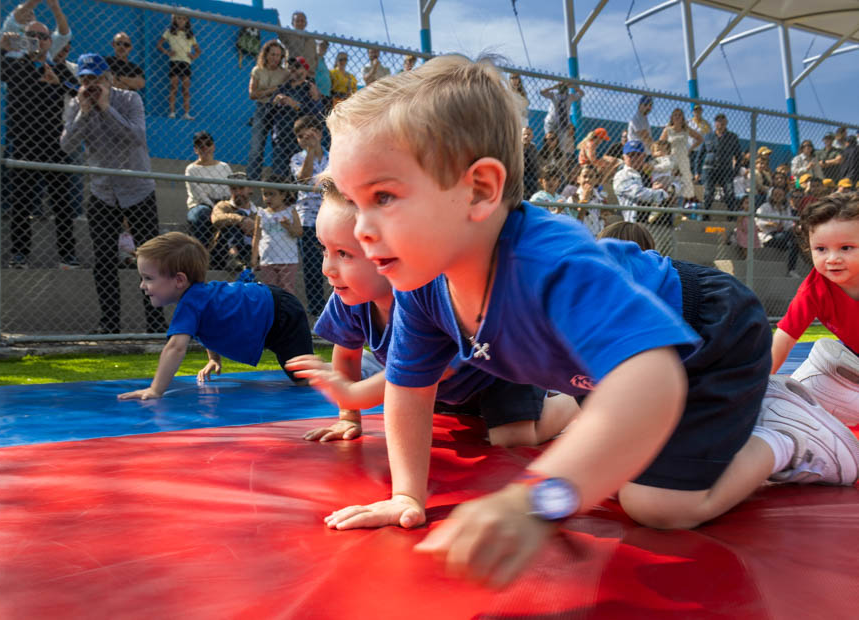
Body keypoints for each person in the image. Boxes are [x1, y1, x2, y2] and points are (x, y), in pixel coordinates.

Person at [321, 55, 859, 587]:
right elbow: (408, 389)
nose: (363, 231)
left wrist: (537, 499)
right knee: (605, 462)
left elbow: (651, 380)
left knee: (656, 506)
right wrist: (407, 495)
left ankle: (787, 434)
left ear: (480, 190)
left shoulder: (547, 263)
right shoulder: (421, 283)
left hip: (708, 336)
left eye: (383, 197)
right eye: (354, 202)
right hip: (613, 367)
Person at [287, 179, 575, 446]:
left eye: (344, 254)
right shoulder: (349, 298)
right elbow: (346, 354)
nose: (327, 268)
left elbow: (425, 368)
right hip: (442, 391)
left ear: (391, 253)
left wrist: (353, 394)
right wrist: (348, 417)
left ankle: (573, 404)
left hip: (493, 376)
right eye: (324, 249)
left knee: (512, 440)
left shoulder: (429, 296)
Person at [118, 232, 313, 401]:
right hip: (271, 311)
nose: (142, 285)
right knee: (300, 372)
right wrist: (214, 359)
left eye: (148, 278)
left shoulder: (191, 303)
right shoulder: (199, 299)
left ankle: (337, 370)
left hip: (281, 313)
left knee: (305, 379)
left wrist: (155, 389)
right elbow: (211, 326)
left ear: (179, 280)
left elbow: (175, 348)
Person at [60, 53, 165, 334]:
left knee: (149, 259)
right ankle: (109, 323)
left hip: (137, 188)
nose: (89, 85)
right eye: (84, 79)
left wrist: (106, 107)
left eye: (95, 79)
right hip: (102, 190)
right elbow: (67, 145)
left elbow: (136, 137)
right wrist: (84, 112)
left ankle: (155, 323)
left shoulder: (130, 100)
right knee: (104, 260)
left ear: (107, 78)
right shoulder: (75, 104)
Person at [0, 7, 80, 270]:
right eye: (32, 36)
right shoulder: (15, 65)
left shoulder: (59, 68)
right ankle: (20, 254)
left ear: (50, 42)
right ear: (23, 38)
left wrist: (58, 84)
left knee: (61, 203)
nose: (38, 41)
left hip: (55, 144)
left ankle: (67, 255)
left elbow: (80, 93)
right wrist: (1, 48)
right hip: (23, 143)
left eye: (42, 36)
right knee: (22, 202)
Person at [770, 194, 859, 425]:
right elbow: (784, 338)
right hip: (854, 356)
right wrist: (759, 382)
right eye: (821, 249)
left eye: (846, 248)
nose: (832, 258)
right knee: (818, 362)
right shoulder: (815, 289)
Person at [289, 115, 329, 317]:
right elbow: (304, 179)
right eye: (300, 136)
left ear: (320, 134)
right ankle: (316, 309)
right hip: (308, 219)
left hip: (331, 217)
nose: (305, 139)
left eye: (310, 134)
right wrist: (311, 151)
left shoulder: (334, 156)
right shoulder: (297, 158)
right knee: (313, 267)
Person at [184, 131, 232, 266]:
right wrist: (214, 209)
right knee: (202, 214)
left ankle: (220, 261)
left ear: (214, 147)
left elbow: (229, 189)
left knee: (234, 215)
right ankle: (200, 259)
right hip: (201, 204)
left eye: (208, 144)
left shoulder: (224, 166)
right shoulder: (191, 169)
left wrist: (222, 207)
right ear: (195, 150)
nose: (204, 147)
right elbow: (199, 195)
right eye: (200, 145)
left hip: (222, 202)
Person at [271, 56, 323, 181]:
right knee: (280, 179)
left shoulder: (310, 89)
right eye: (291, 67)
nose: (293, 69)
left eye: (297, 67)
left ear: (305, 70)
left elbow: (315, 114)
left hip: (299, 142)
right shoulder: (282, 88)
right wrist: (274, 102)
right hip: (280, 141)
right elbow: (269, 113)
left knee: (298, 180)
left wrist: (295, 105)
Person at [251, 174, 303, 294]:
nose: (268, 198)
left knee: (287, 291)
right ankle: (272, 312)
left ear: (283, 195)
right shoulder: (261, 213)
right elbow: (256, 236)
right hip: (267, 259)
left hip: (288, 260)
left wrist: (288, 227)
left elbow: (299, 232)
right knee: (270, 291)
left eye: (272, 194)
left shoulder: (291, 211)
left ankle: (287, 313)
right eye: (265, 194)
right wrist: (254, 257)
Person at [247, 39, 289, 181]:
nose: (275, 58)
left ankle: (278, 182)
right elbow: (252, 94)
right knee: (257, 148)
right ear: (265, 55)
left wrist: (265, 91)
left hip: (278, 111)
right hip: (261, 109)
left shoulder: (285, 73)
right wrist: (273, 90)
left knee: (278, 147)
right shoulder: (257, 70)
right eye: (272, 54)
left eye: (278, 55)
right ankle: (253, 181)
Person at [211, 171, 258, 273]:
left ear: (250, 189)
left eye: (241, 188)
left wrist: (254, 229)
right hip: (223, 253)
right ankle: (234, 257)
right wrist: (241, 220)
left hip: (250, 250)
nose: (237, 193)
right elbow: (216, 219)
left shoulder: (257, 211)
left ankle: (247, 260)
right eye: (233, 189)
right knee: (238, 215)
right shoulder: (223, 205)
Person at [613, 140, 670, 223]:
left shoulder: (646, 173)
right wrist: (662, 193)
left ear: (643, 156)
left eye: (638, 155)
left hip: (654, 223)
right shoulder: (621, 175)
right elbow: (638, 193)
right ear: (624, 157)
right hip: (632, 223)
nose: (635, 158)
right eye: (631, 155)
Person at [157, 14, 200, 119]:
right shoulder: (169, 32)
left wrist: (193, 56)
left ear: (187, 21)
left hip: (186, 63)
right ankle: (172, 112)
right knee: (174, 87)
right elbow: (159, 45)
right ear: (174, 19)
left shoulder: (190, 35)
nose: (181, 21)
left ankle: (186, 113)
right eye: (179, 18)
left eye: (184, 19)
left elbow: (198, 50)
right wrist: (167, 52)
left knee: (185, 89)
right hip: (174, 61)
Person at [0, 0, 71, 63]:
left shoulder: (46, 40)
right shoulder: (11, 34)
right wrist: (33, 2)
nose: (27, 15)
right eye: (25, 12)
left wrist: (55, 8)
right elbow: (14, 20)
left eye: (31, 14)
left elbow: (64, 35)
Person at [701, 113, 741, 216]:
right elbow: (700, 155)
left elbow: (738, 156)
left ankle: (732, 215)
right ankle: (705, 214)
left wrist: (735, 171)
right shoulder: (708, 136)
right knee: (708, 192)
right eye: (718, 121)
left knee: (729, 191)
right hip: (710, 168)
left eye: (723, 121)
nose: (721, 123)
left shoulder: (732, 137)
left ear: (726, 122)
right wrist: (698, 171)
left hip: (725, 169)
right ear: (715, 123)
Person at [659, 108, 702, 203]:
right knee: (670, 182)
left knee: (683, 183)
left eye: (680, 115)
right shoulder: (668, 130)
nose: (677, 117)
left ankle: (681, 209)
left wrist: (690, 149)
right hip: (671, 159)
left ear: (683, 118)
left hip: (683, 159)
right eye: (675, 115)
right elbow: (660, 144)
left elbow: (700, 138)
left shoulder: (686, 130)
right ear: (672, 117)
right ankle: (666, 204)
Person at [756, 187, 799, 276]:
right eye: (775, 194)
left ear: (784, 196)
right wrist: (770, 224)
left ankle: (791, 270)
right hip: (769, 236)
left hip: (784, 236)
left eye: (780, 195)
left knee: (794, 243)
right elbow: (758, 222)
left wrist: (794, 228)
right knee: (790, 237)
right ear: (771, 196)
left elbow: (788, 223)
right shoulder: (765, 207)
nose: (778, 196)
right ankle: (791, 269)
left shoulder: (786, 208)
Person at [540, 80, 583, 155]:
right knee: (549, 140)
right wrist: (553, 87)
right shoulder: (553, 95)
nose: (562, 88)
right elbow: (542, 92)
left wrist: (573, 86)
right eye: (561, 86)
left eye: (564, 86)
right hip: (551, 121)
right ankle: (548, 158)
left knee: (562, 144)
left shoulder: (570, 97)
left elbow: (581, 94)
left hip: (563, 123)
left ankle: (560, 161)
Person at [566, 164, 606, 236]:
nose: (588, 179)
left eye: (591, 176)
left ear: (596, 180)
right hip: (582, 237)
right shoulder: (573, 198)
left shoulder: (600, 198)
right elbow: (577, 222)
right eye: (585, 176)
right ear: (578, 179)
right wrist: (584, 199)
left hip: (598, 237)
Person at [278, 10, 317, 78]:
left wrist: (312, 68)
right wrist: (276, 16)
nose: (300, 23)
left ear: (306, 23)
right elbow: (279, 31)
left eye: (302, 21)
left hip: (309, 75)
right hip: (293, 74)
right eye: (297, 21)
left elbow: (315, 57)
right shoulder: (288, 35)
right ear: (293, 23)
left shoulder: (312, 39)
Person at [688, 104, 711, 182]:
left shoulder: (706, 124)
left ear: (701, 111)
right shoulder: (688, 122)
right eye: (695, 110)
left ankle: (698, 181)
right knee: (690, 166)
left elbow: (708, 135)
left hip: (701, 149)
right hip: (690, 148)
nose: (697, 112)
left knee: (699, 167)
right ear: (693, 112)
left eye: (699, 110)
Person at [521, 126, 540, 199]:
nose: (526, 136)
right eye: (524, 134)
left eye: (528, 135)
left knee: (533, 183)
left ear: (532, 136)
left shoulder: (533, 147)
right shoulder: (517, 146)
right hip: (520, 174)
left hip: (531, 175)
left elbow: (535, 164)